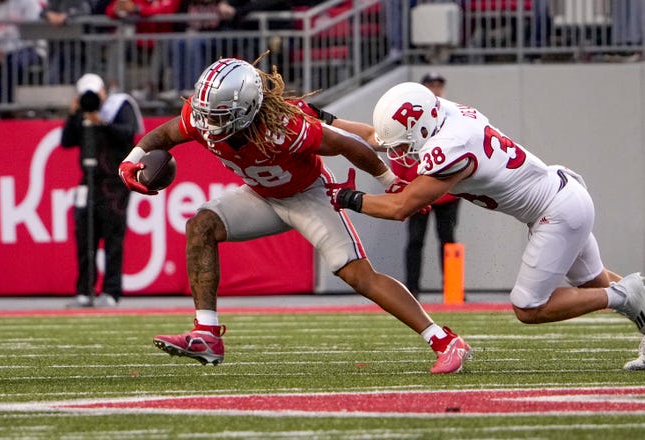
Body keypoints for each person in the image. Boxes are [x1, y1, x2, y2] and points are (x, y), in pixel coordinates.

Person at [118, 57, 472, 374]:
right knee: (201, 225)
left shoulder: (287, 126)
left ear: (246, 109)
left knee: (360, 276)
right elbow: (164, 134)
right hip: (262, 195)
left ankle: (444, 340)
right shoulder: (202, 118)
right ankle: (207, 334)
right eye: (207, 112)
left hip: (308, 196)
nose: (208, 123)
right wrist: (132, 157)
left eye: (220, 115)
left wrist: (390, 181)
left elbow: (351, 144)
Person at [325, 82, 645, 364]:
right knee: (594, 284)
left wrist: (348, 199)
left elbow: (401, 207)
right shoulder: (443, 113)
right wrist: (326, 119)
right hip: (563, 195)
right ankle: (631, 295)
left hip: (558, 211)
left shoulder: (450, 149)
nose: (400, 153)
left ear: (423, 128)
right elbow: (374, 137)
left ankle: (625, 295)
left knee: (529, 306)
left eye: (406, 144)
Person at [61, 73, 144, 308]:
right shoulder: (82, 115)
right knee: (84, 237)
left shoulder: (120, 106)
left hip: (114, 185)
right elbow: (66, 141)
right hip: (88, 183)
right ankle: (84, 291)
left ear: (104, 93)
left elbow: (128, 134)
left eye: (95, 95)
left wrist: (101, 122)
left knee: (112, 239)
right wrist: (74, 113)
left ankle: (111, 292)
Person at [394, 71, 460, 294]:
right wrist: (404, 186)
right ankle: (412, 290)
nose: (436, 89)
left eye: (439, 85)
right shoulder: (410, 117)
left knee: (448, 240)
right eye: (431, 85)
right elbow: (398, 150)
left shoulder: (450, 115)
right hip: (418, 189)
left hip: (446, 191)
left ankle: (452, 290)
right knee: (415, 241)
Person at [0, 0, 43, 103]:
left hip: (29, 49)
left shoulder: (27, 3)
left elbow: (34, 33)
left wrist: (8, 50)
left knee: (13, 62)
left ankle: (7, 104)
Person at [40, 0, 92, 84]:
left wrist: (66, 16)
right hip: (55, 48)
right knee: (52, 78)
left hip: (75, 50)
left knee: (75, 80)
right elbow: (43, 13)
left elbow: (85, 11)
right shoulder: (54, 2)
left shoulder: (80, 2)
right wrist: (49, 15)